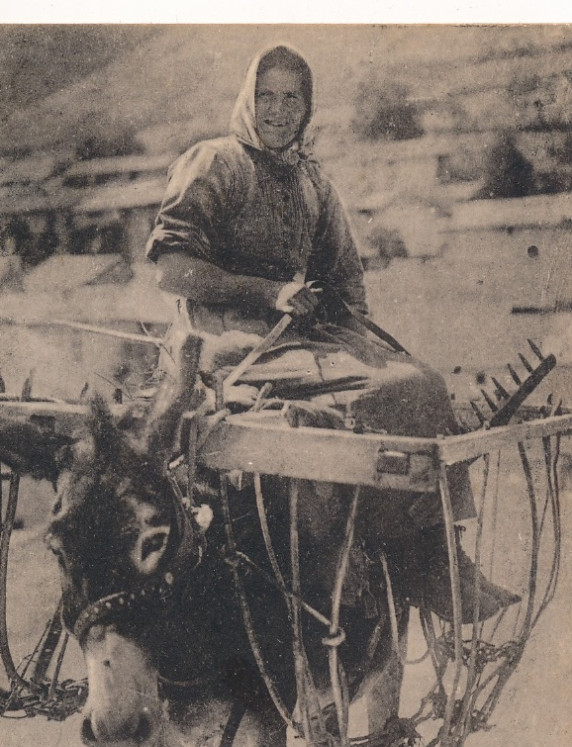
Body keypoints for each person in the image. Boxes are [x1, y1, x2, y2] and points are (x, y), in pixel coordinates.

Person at [146, 44, 518, 623]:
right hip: (227, 340)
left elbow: (343, 274)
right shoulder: (214, 162)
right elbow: (173, 269)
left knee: (418, 383)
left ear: (307, 106)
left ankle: (435, 552)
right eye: (265, 95)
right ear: (248, 98)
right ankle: (354, 555)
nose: (277, 110)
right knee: (365, 399)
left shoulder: (311, 181)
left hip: (297, 340)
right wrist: (268, 294)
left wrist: (358, 336)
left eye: (291, 97)